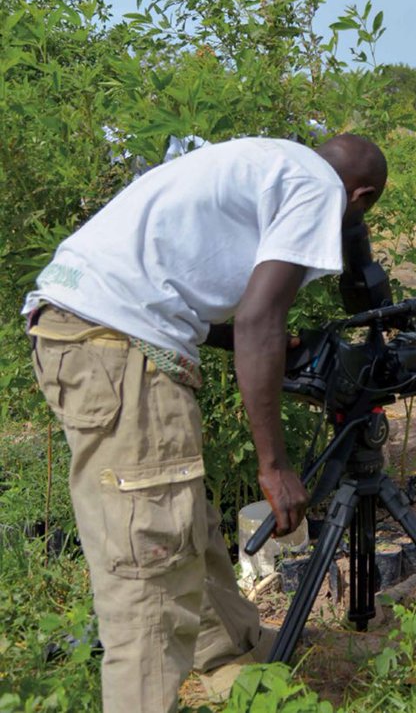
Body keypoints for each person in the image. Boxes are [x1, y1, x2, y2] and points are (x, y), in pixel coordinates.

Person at [23, 134, 388, 712]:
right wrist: (275, 466)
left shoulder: (270, 160)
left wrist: (269, 342)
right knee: (150, 572)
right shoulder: (320, 188)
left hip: (82, 329)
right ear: (360, 194)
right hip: (118, 349)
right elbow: (256, 320)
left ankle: (231, 656)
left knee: (182, 517)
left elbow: (200, 302)